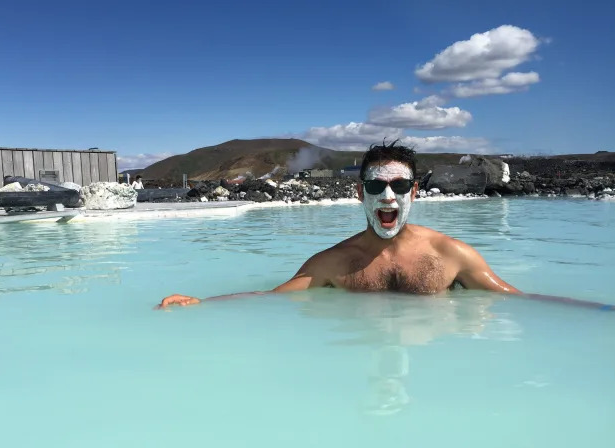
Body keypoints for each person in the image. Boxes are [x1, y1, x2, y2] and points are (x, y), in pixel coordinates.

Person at [158, 141, 613, 311]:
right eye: (377, 186)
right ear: (361, 194)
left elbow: (520, 300)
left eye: (401, 185)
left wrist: (595, 309)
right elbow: (274, 299)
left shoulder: (452, 255)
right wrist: (204, 303)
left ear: (415, 192)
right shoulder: (333, 262)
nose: (389, 196)